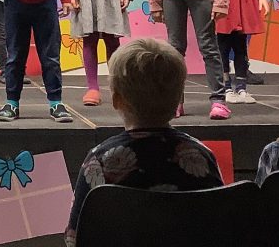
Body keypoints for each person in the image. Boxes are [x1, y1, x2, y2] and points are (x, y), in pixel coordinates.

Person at [64, 38, 224, 246]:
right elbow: (220, 226)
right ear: (178, 99)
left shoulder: (99, 161)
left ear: (117, 100)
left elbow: (74, 238)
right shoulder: (201, 156)